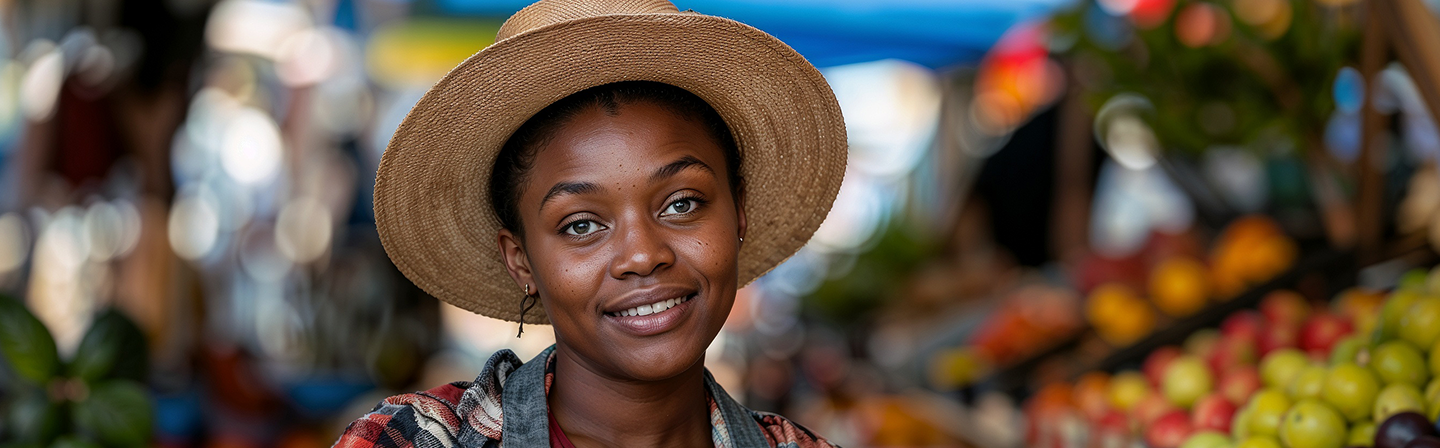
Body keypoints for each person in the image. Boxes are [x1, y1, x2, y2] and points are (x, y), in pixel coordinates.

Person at [334, 0, 846, 446]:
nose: (643, 254)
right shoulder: (412, 441)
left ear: (738, 213)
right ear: (521, 261)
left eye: (682, 203)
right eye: (581, 225)